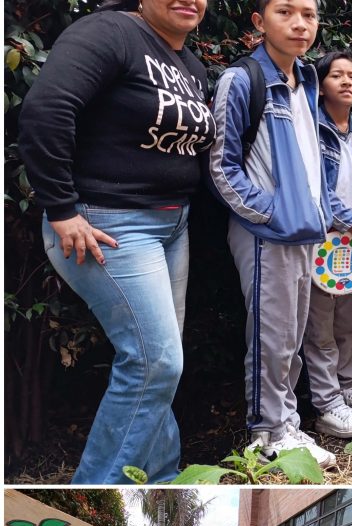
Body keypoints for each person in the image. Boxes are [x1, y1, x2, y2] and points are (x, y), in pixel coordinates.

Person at [19, 0, 216, 484]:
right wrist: (61, 208)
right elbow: (46, 109)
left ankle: (162, 477)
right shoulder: (110, 33)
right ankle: (98, 490)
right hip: (109, 224)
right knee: (156, 362)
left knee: (161, 368)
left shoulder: (189, 65)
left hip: (172, 225)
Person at [209, 0, 351, 467]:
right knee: (270, 338)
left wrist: (320, 213)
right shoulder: (242, 80)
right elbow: (222, 165)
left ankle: (287, 424)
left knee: (290, 338)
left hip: (305, 234)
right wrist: (270, 214)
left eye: (308, 15)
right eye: (285, 12)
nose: (299, 24)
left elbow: (312, 165)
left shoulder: (306, 80)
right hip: (266, 234)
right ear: (259, 22)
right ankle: (267, 433)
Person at [303, 51, 352, 440]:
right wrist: (351, 223)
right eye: (337, 75)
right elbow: (314, 184)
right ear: (320, 84)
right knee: (319, 325)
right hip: (325, 238)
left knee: (349, 321)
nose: (348, 81)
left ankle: (346, 387)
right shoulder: (310, 127)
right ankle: (326, 404)